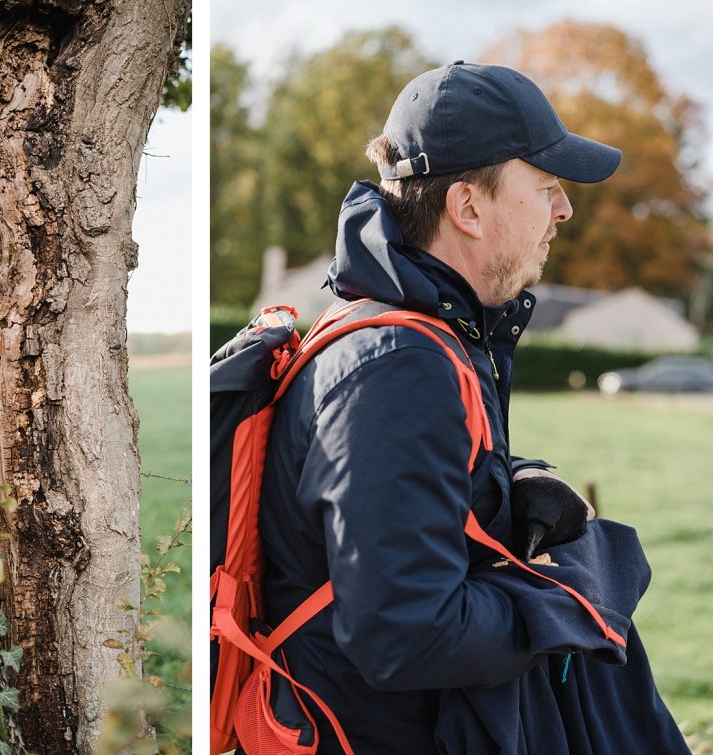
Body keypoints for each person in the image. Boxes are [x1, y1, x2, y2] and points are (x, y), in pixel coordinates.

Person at [257, 61, 689, 754]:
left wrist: (515, 479)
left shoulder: (428, 331)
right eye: (546, 188)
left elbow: (415, 487)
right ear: (468, 207)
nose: (564, 211)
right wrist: (565, 595)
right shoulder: (397, 364)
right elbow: (406, 634)